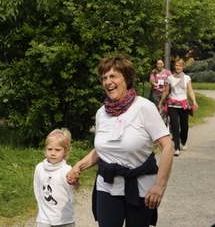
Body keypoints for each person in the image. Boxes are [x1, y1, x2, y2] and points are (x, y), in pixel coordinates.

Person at [66, 54, 173, 227]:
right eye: (104, 78)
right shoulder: (102, 112)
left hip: (141, 187)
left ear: (127, 78)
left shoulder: (144, 107)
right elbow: (103, 149)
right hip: (107, 186)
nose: (108, 82)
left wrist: (160, 185)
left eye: (113, 76)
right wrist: (79, 166)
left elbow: (167, 146)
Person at [34, 128, 80, 227]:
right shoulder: (39, 168)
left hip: (64, 219)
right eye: (49, 149)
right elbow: (37, 188)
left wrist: (75, 181)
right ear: (45, 149)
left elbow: (75, 187)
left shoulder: (67, 170)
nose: (53, 153)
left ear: (66, 151)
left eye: (57, 150)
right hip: (44, 218)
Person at [158, 58, 198, 156]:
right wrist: (160, 102)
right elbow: (166, 91)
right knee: (175, 126)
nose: (178, 67)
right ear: (174, 66)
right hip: (172, 104)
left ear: (183, 67)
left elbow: (191, 90)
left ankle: (183, 141)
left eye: (180, 66)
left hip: (184, 104)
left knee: (184, 126)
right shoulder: (170, 78)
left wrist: (194, 101)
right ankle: (177, 147)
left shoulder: (187, 78)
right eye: (176, 65)